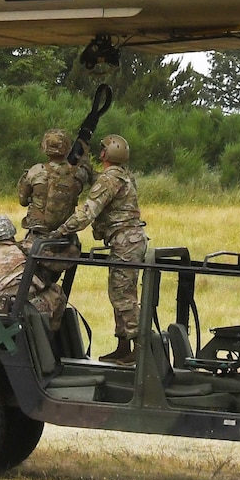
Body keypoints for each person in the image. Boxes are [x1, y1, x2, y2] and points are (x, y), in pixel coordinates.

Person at [50, 134, 148, 364]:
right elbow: (98, 180)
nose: (99, 152)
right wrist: (83, 161)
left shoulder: (110, 179)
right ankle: (124, 346)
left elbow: (87, 212)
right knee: (120, 292)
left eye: (101, 149)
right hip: (128, 240)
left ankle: (141, 350)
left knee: (123, 296)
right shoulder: (119, 175)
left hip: (125, 241)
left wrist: (60, 232)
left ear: (105, 154)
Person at [0, 214, 68, 329]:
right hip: (30, 304)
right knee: (57, 293)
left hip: (1, 308)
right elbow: (55, 264)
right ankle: (51, 338)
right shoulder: (25, 246)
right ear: (12, 233)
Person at [17, 129, 93, 250]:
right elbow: (88, 170)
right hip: (66, 238)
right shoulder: (78, 174)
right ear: (67, 148)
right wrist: (84, 154)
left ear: (45, 147)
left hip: (38, 237)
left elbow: (23, 201)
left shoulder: (36, 171)